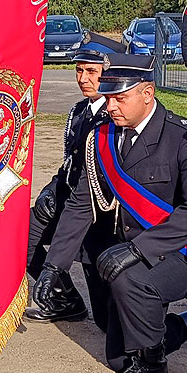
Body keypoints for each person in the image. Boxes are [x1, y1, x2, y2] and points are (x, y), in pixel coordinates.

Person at [36, 52, 187, 373]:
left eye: (120, 98)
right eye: (108, 98)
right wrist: (53, 266)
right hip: (127, 250)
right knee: (117, 353)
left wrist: (138, 250)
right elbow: (80, 203)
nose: (111, 106)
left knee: (129, 284)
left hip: (181, 251)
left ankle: (153, 367)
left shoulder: (186, 137)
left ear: (147, 93)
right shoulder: (104, 136)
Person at [24, 32, 125, 327]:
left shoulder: (116, 117)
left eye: (91, 71)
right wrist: (50, 193)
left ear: (109, 73)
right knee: (21, 237)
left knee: (107, 324)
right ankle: (64, 298)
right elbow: (71, 165)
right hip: (68, 204)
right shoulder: (80, 111)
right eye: (79, 70)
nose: (83, 78)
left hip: (99, 221)